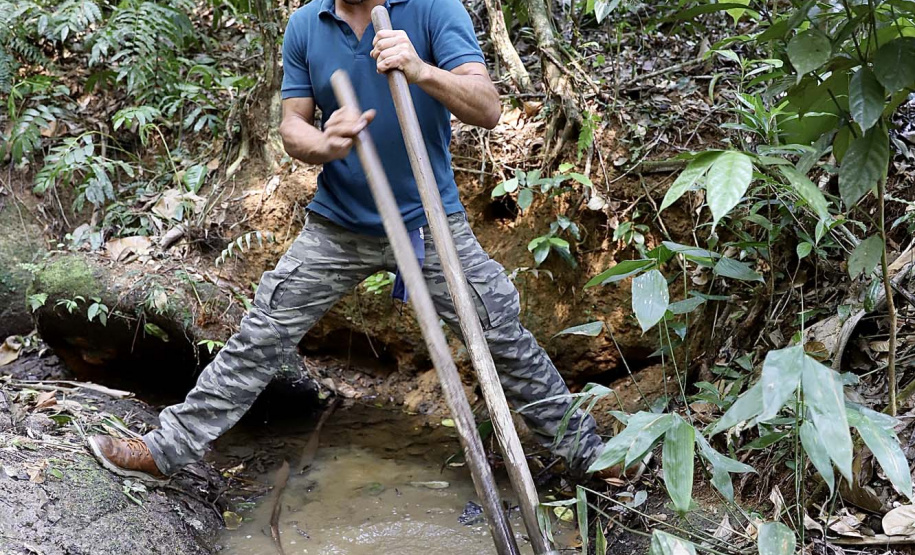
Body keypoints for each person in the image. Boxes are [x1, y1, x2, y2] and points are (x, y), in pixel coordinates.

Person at [87, 0, 604, 483]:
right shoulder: (306, 24)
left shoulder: (433, 7)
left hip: (429, 224)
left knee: (502, 337)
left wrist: (420, 69)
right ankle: (165, 450)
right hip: (337, 227)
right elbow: (293, 125)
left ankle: (594, 461)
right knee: (261, 334)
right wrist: (325, 144)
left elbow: (487, 107)